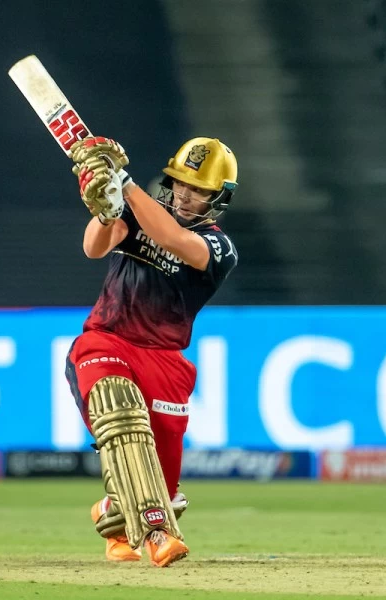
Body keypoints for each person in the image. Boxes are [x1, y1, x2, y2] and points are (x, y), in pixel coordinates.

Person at [63, 136, 239, 567]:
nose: (185, 194)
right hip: (107, 339)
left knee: (164, 486)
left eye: (198, 189)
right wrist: (106, 211)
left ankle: (114, 515)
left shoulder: (220, 248)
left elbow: (174, 239)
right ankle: (158, 534)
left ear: (219, 197)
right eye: (180, 183)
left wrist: (124, 185)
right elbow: (93, 247)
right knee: (121, 417)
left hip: (165, 360)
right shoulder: (136, 211)